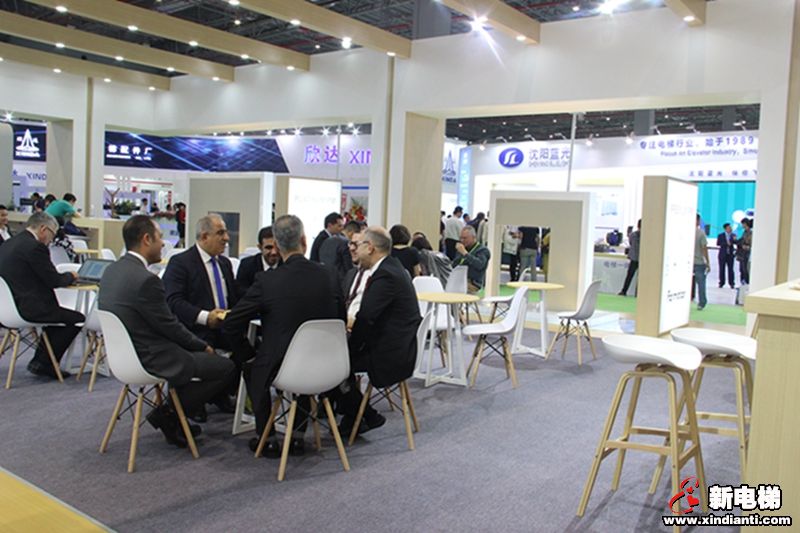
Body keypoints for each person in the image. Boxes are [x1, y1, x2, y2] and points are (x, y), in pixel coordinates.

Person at [98, 215, 236, 447]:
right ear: (146, 239)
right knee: (225, 367)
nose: (163, 243)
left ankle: (175, 416)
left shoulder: (112, 271)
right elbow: (169, 325)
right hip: (152, 356)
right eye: (160, 237)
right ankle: (169, 414)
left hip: (123, 356)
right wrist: (201, 346)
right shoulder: (146, 280)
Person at [223, 215, 344, 457]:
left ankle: (266, 438)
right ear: (304, 241)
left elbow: (231, 323)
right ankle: (297, 437)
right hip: (330, 366)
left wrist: (247, 353)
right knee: (296, 365)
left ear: (276, 247)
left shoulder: (268, 281)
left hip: (284, 367)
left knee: (253, 368)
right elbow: (340, 317)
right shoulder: (330, 275)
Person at [335, 226, 421, 435]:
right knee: (337, 361)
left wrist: (350, 347)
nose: (354, 249)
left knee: (332, 365)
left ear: (370, 247)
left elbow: (366, 317)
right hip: (396, 346)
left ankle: (364, 414)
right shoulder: (393, 268)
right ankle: (356, 415)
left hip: (390, 354)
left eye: (358, 245)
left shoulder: (385, 275)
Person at [0, 212, 84, 379]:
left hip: (6, 309)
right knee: (76, 318)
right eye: (53, 234)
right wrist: (71, 276)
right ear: (43, 229)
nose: (52, 240)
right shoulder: (35, 247)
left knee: (58, 316)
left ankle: (42, 361)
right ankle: (44, 363)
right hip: (28, 308)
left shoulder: (9, 244)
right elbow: (54, 280)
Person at [163, 214, 239, 352]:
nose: (227, 238)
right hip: (198, 335)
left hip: (229, 334)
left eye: (226, 232)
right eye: (220, 233)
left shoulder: (225, 264)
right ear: (204, 237)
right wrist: (206, 317)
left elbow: (234, 298)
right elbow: (173, 302)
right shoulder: (180, 263)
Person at [236, 226, 281, 294]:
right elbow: (241, 292)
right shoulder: (247, 266)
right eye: (269, 247)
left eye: (277, 247)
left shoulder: (288, 265)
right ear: (260, 247)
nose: (274, 252)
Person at [453, 225, 491, 293]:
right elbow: (455, 265)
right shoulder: (462, 248)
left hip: (472, 283)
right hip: (458, 279)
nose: (462, 240)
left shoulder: (483, 250)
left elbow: (480, 265)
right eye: (461, 238)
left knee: (454, 289)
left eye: (465, 238)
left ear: (473, 237)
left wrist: (465, 253)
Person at [618, 219, 641, 296]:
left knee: (630, 276)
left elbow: (631, 243)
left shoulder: (632, 235)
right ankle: (636, 293)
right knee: (635, 276)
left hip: (634, 257)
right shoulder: (637, 235)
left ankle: (624, 291)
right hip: (638, 258)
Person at [693, 213, 711, 310]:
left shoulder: (684, 231)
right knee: (701, 283)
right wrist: (708, 262)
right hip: (699, 261)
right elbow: (704, 248)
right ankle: (702, 302)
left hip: (687, 262)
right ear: (698, 221)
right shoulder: (701, 233)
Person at [716, 222, 737, 289]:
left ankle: (732, 283)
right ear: (725, 229)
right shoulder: (721, 235)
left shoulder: (733, 235)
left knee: (731, 269)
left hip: (730, 254)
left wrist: (734, 240)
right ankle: (721, 282)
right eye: (729, 228)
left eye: (730, 228)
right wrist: (726, 243)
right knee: (722, 269)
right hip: (722, 254)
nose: (730, 229)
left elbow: (736, 242)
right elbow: (718, 243)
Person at [737, 218, 752, 285]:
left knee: (745, 269)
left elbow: (749, 243)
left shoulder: (750, 232)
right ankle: (743, 283)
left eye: (742, 224)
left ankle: (746, 283)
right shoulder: (744, 232)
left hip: (746, 253)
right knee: (742, 269)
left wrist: (746, 246)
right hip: (742, 253)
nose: (742, 225)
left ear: (745, 224)